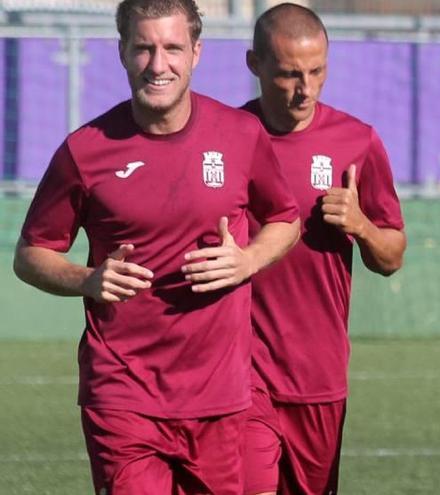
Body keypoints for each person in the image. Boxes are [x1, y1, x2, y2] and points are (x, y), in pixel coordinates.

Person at [12, 0, 301, 493]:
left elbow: (285, 218)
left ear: (196, 53)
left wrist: (247, 259)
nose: (158, 64)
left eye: (172, 48)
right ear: (123, 52)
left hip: (220, 396)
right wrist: (88, 279)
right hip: (123, 393)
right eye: (144, 48)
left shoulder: (240, 133)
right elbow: (30, 254)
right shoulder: (85, 150)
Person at [240, 4, 406, 494]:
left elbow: (392, 255)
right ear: (255, 64)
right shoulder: (227, 138)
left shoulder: (357, 141)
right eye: (290, 74)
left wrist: (361, 226)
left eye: (317, 72)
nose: (305, 89)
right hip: (241, 371)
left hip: (318, 372)